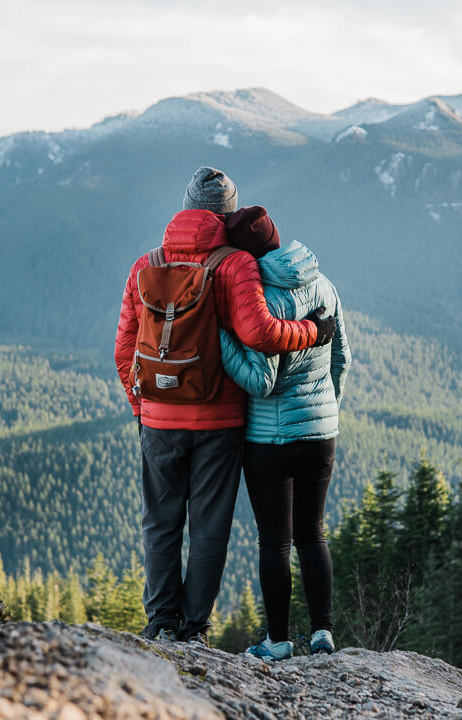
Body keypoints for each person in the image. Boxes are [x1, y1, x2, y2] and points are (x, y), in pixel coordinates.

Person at [114, 168, 337, 646]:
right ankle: (194, 628)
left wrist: (142, 408)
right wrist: (313, 333)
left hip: (157, 417)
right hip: (219, 419)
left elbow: (125, 347)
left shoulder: (144, 265)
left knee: (160, 522)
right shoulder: (236, 264)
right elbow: (260, 334)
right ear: (228, 213)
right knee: (209, 528)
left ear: (185, 207)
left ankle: (161, 625)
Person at [218, 206, 350, 660]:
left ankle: (277, 642)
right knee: (312, 534)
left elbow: (262, 382)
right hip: (321, 433)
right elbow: (343, 357)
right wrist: (326, 412)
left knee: (274, 540)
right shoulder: (326, 285)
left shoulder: (265, 301)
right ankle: (323, 633)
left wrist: (225, 341)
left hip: (270, 439)